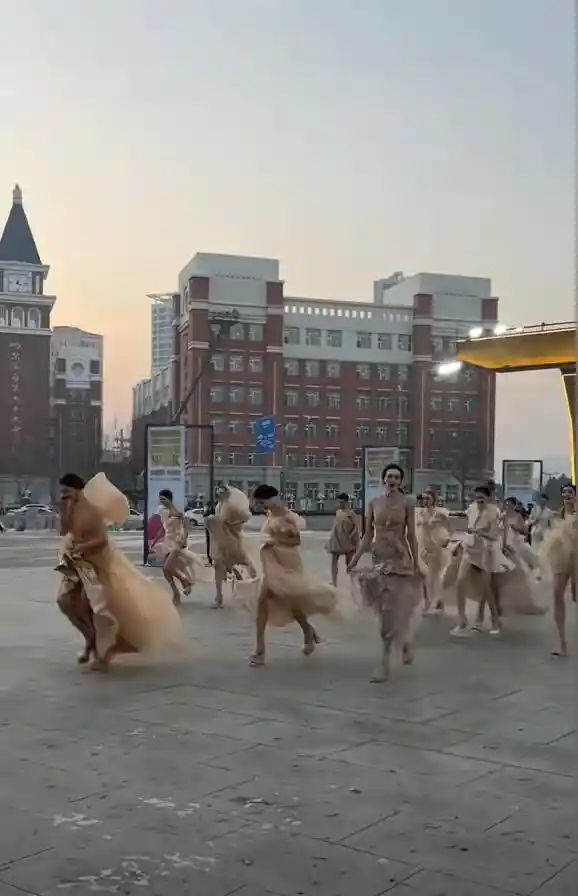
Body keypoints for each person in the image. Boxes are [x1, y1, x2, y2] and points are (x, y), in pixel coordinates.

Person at [55, 472, 187, 671]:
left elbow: (101, 540)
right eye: (62, 492)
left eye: (67, 491)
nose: (64, 495)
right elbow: (64, 531)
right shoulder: (69, 507)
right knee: (65, 601)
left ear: (76, 490)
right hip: (77, 564)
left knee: (98, 608)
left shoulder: (92, 511)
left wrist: (82, 547)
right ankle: (90, 638)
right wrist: (64, 511)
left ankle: (102, 653)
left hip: (98, 563)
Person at [236, 484, 343, 667]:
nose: (260, 505)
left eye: (262, 501)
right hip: (272, 563)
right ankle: (261, 649)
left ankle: (307, 631)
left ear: (270, 499)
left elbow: (296, 540)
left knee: (291, 601)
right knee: (263, 600)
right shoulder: (270, 514)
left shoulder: (286, 516)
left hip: (287, 562)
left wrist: (274, 540)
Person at [347, 463, 422, 683]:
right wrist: (355, 559)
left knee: (394, 608)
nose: (392, 480)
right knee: (383, 609)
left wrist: (416, 562)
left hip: (400, 559)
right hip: (379, 558)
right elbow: (367, 535)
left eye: (397, 477)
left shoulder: (408, 502)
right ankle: (404, 639)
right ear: (383, 479)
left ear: (401, 481)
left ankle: (384, 662)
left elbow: (411, 535)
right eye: (389, 476)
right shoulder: (374, 502)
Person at [450, 485, 514, 638]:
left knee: (486, 590)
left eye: (482, 498)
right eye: (477, 497)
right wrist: (459, 543)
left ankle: (495, 620)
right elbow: (467, 527)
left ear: (488, 498)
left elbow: (494, 536)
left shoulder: (494, 513)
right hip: (470, 550)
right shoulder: (471, 509)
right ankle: (462, 620)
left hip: (486, 551)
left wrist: (479, 532)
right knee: (460, 582)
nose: (479, 500)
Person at [149, 489, 208, 606]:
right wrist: (154, 542)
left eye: (163, 499)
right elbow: (163, 529)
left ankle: (186, 581)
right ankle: (176, 593)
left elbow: (186, 526)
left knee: (167, 567)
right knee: (166, 571)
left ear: (168, 499)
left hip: (177, 542)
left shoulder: (177, 512)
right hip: (167, 542)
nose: (161, 501)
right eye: (160, 499)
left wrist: (184, 539)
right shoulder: (163, 512)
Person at [204, 485, 255, 608]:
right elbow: (220, 520)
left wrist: (230, 523)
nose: (220, 495)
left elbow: (244, 517)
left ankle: (255, 585)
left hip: (231, 539)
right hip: (221, 539)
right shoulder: (219, 505)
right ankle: (219, 596)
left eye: (222, 492)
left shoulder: (230, 506)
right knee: (219, 565)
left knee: (242, 561)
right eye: (218, 493)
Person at [542, 483, 576, 657]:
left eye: (570, 492)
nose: (567, 494)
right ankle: (561, 641)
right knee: (557, 594)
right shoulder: (559, 514)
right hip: (561, 558)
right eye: (564, 492)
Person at [417, 487, 451, 615]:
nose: (425, 501)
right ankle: (427, 602)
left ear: (434, 499)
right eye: (423, 498)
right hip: (423, 545)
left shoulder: (440, 513)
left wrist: (446, 539)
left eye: (428, 498)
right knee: (424, 575)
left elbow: (449, 526)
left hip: (436, 547)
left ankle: (438, 603)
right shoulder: (420, 512)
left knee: (435, 576)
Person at [326, 493, 359, 586]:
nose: (340, 504)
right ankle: (334, 581)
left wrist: (351, 536)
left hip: (348, 540)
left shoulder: (351, 513)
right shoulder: (338, 512)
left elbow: (356, 527)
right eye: (339, 502)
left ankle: (352, 581)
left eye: (342, 502)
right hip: (337, 539)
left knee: (349, 562)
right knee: (334, 560)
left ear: (346, 502)